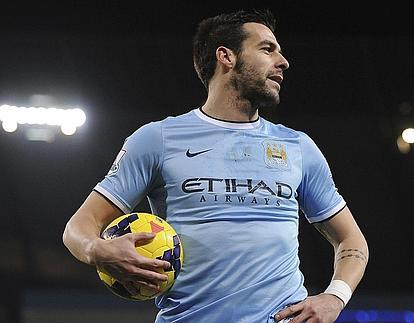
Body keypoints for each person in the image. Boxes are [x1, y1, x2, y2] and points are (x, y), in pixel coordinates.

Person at [62, 9, 368, 322]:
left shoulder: (297, 146)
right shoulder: (157, 139)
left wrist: (335, 296)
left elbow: (351, 239)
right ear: (227, 56)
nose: (283, 61)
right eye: (267, 49)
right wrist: (98, 251)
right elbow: (78, 228)